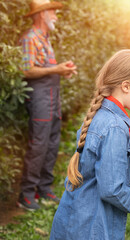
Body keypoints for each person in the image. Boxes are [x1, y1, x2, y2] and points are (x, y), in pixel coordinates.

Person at [50, 50, 130, 240]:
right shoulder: (115, 127)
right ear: (126, 86)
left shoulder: (101, 116)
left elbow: (107, 180)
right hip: (91, 228)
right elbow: (112, 190)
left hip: (76, 220)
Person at [17, 0, 78, 211]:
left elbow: (46, 67)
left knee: (52, 144)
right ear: (42, 14)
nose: (55, 16)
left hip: (52, 97)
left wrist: (63, 69)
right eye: (53, 12)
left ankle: (44, 188)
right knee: (38, 145)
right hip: (40, 98)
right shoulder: (29, 38)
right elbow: (27, 70)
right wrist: (55, 70)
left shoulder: (45, 38)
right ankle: (26, 194)